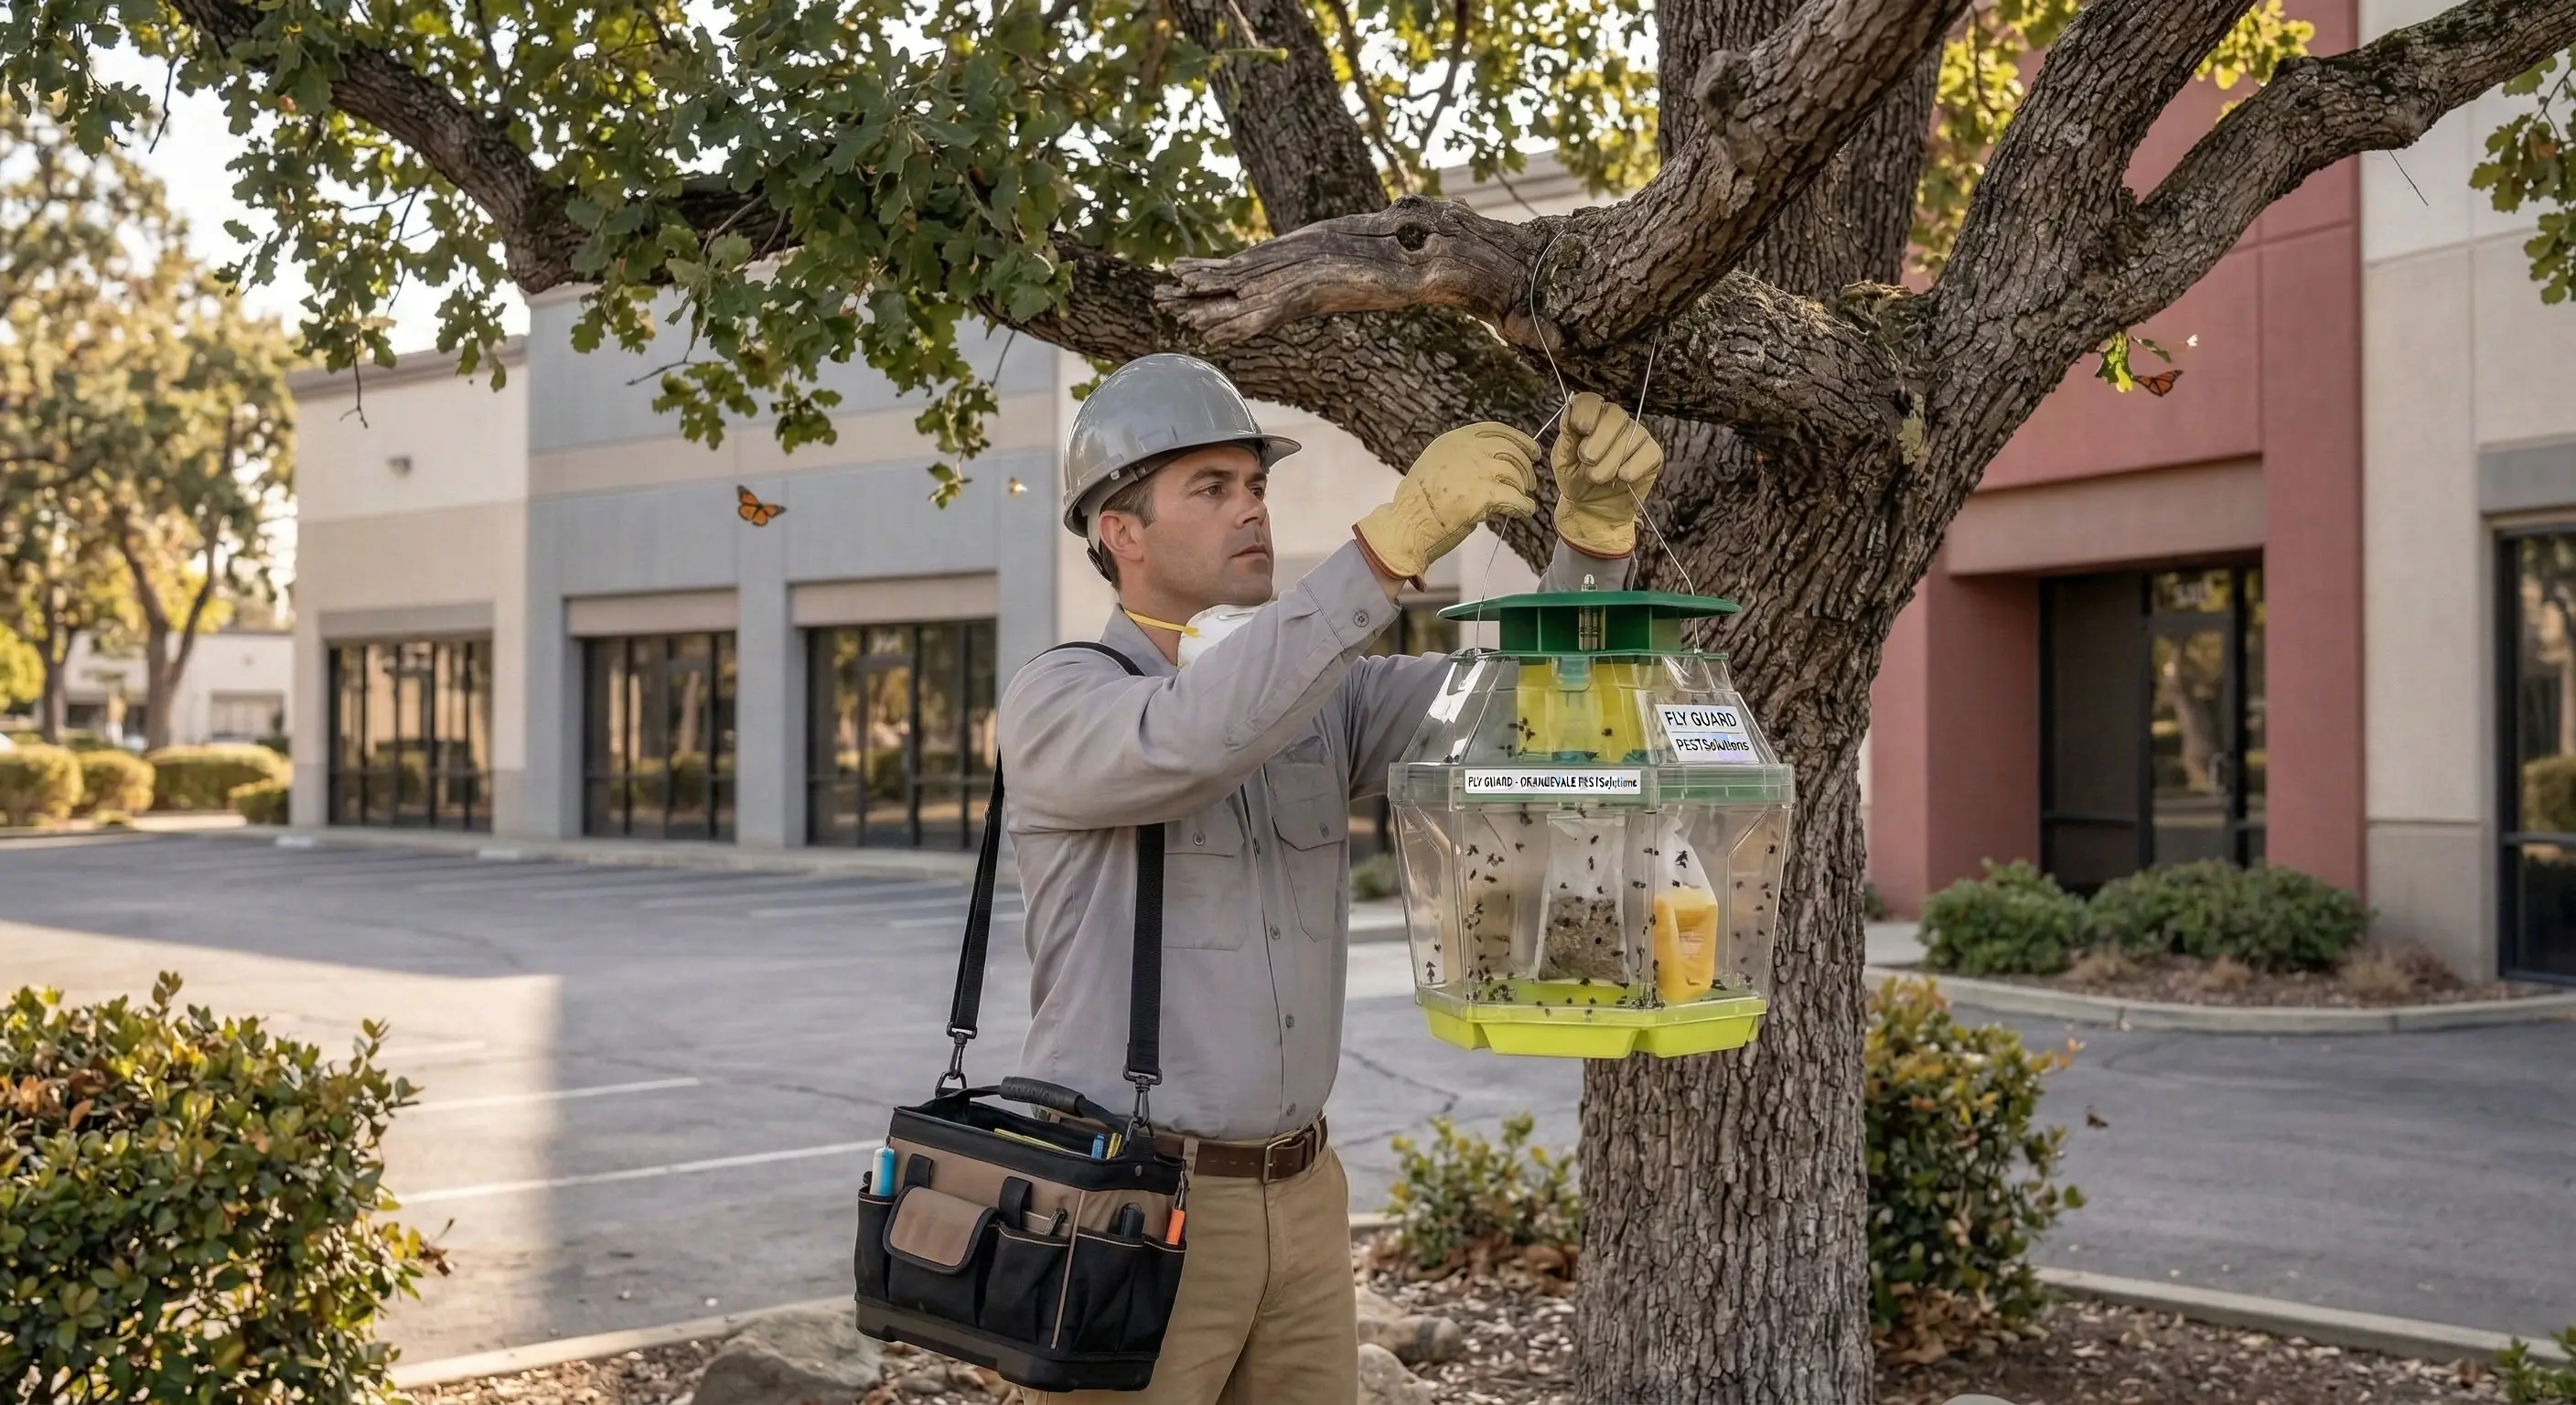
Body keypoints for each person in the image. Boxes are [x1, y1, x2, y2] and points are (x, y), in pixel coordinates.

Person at [999, 354, 1664, 1404]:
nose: (1249, 511)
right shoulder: (1063, 698)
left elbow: (1526, 715)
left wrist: (1590, 548)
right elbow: (1196, 737)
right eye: (1210, 490)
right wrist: (1384, 550)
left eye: (1254, 486)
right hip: (1127, 1202)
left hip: (1301, 1192)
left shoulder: (1321, 696)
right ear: (1118, 532)